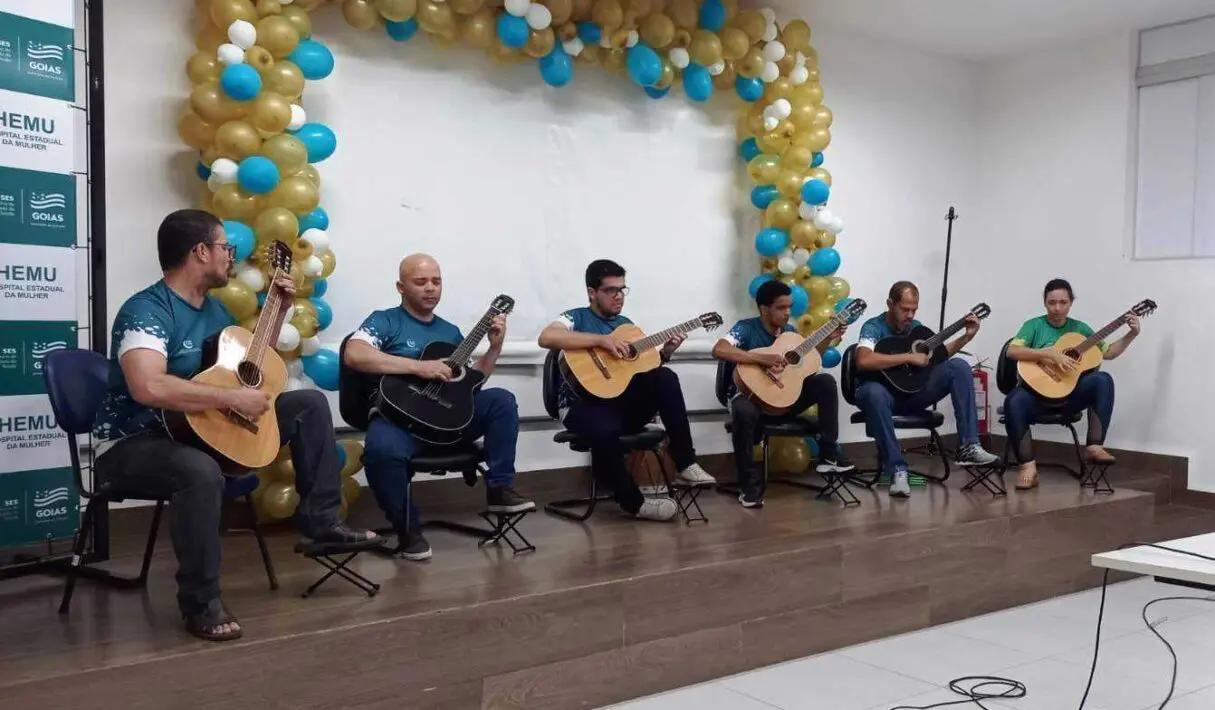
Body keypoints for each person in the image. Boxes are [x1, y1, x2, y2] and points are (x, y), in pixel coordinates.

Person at [93, 209, 376, 643]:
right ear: (200, 252)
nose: (232, 256)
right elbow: (147, 386)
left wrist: (277, 313)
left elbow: (238, 369)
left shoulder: (216, 311)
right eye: (227, 248)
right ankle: (200, 602)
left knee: (308, 403)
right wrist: (229, 398)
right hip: (133, 442)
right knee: (198, 471)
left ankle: (321, 521)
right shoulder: (145, 311)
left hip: (198, 430)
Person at [344, 254, 534, 561]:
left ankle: (500, 490)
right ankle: (408, 530)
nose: (430, 288)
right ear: (401, 287)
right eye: (420, 282)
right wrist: (419, 368)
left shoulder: (450, 332)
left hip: (446, 421)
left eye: (436, 281)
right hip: (399, 421)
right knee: (381, 451)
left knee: (500, 400)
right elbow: (354, 354)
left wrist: (494, 347)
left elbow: (470, 385)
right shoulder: (385, 320)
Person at [537, 259, 716, 522]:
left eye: (622, 289)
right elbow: (547, 338)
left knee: (664, 376)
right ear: (592, 292)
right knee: (602, 427)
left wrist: (665, 353)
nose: (619, 296)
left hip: (619, 405)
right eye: (611, 290)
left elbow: (638, 372)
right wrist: (602, 340)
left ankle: (685, 461)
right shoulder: (575, 317)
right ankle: (635, 503)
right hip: (580, 405)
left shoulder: (627, 325)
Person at [712, 280, 855, 508]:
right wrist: (761, 358)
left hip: (784, 400)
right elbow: (719, 349)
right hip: (751, 399)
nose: (788, 313)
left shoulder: (790, 333)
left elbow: (807, 360)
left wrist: (828, 337)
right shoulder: (745, 328)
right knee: (742, 410)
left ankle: (828, 453)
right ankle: (748, 485)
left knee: (825, 381)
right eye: (781, 308)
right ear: (763, 309)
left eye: (789, 307)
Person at [853, 281, 999, 498]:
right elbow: (863, 360)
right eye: (904, 309)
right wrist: (908, 357)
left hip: (912, 393)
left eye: (914, 309)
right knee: (873, 392)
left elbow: (938, 357)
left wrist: (966, 337)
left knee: (958, 366)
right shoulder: (873, 327)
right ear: (890, 304)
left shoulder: (917, 330)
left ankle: (968, 446)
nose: (910, 315)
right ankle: (897, 470)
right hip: (881, 395)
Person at [1004, 278, 1137, 490]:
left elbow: (1108, 352)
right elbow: (1012, 351)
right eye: (1052, 303)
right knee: (1013, 401)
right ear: (1045, 302)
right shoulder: (1034, 326)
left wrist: (1132, 334)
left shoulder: (1080, 329)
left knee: (1103, 380)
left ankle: (1094, 446)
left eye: (1063, 302)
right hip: (1035, 396)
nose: (1057, 308)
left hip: (1068, 395)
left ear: (1071, 302)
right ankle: (1027, 467)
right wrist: (1048, 354)